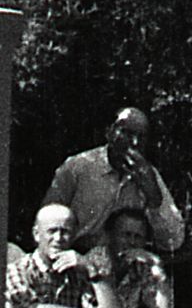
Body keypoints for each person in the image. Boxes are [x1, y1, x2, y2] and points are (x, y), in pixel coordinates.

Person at [45, 110, 184, 264]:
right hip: (76, 261)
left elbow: (173, 241)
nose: (134, 143)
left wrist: (153, 196)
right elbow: (47, 222)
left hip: (125, 265)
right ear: (109, 133)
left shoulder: (149, 175)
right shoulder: (78, 167)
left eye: (141, 137)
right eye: (127, 133)